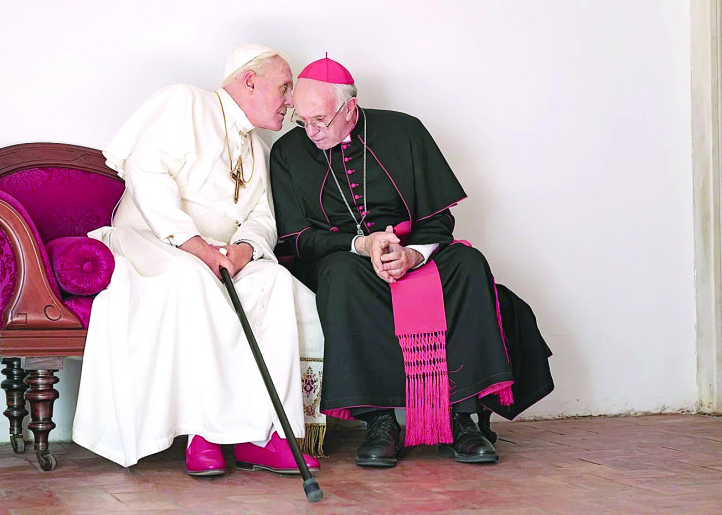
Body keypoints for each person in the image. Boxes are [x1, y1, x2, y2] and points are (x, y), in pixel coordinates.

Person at [270, 56, 554, 468]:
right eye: (302, 121)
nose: (310, 132)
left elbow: (439, 220)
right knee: (338, 274)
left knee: (469, 263)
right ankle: (380, 423)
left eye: (320, 121)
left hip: (415, 254)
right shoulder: (287, 153)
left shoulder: (405, 131)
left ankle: (462, 420)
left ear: (349, 109)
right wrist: (361, 245)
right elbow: (296, 237)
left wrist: (410, 255)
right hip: (347, 259)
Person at [72, 44, 322, 476]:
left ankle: (265, 435)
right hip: (153, 241)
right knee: (194, 279)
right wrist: (200, 249)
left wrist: (243, 251)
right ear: (250, 80)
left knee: (275, 283)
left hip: (221, 256)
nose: (289, 101)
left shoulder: (259, 149)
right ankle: (202, 433)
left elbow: (262, 216)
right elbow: (147, 175)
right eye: (283, 87)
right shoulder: (185, 101)